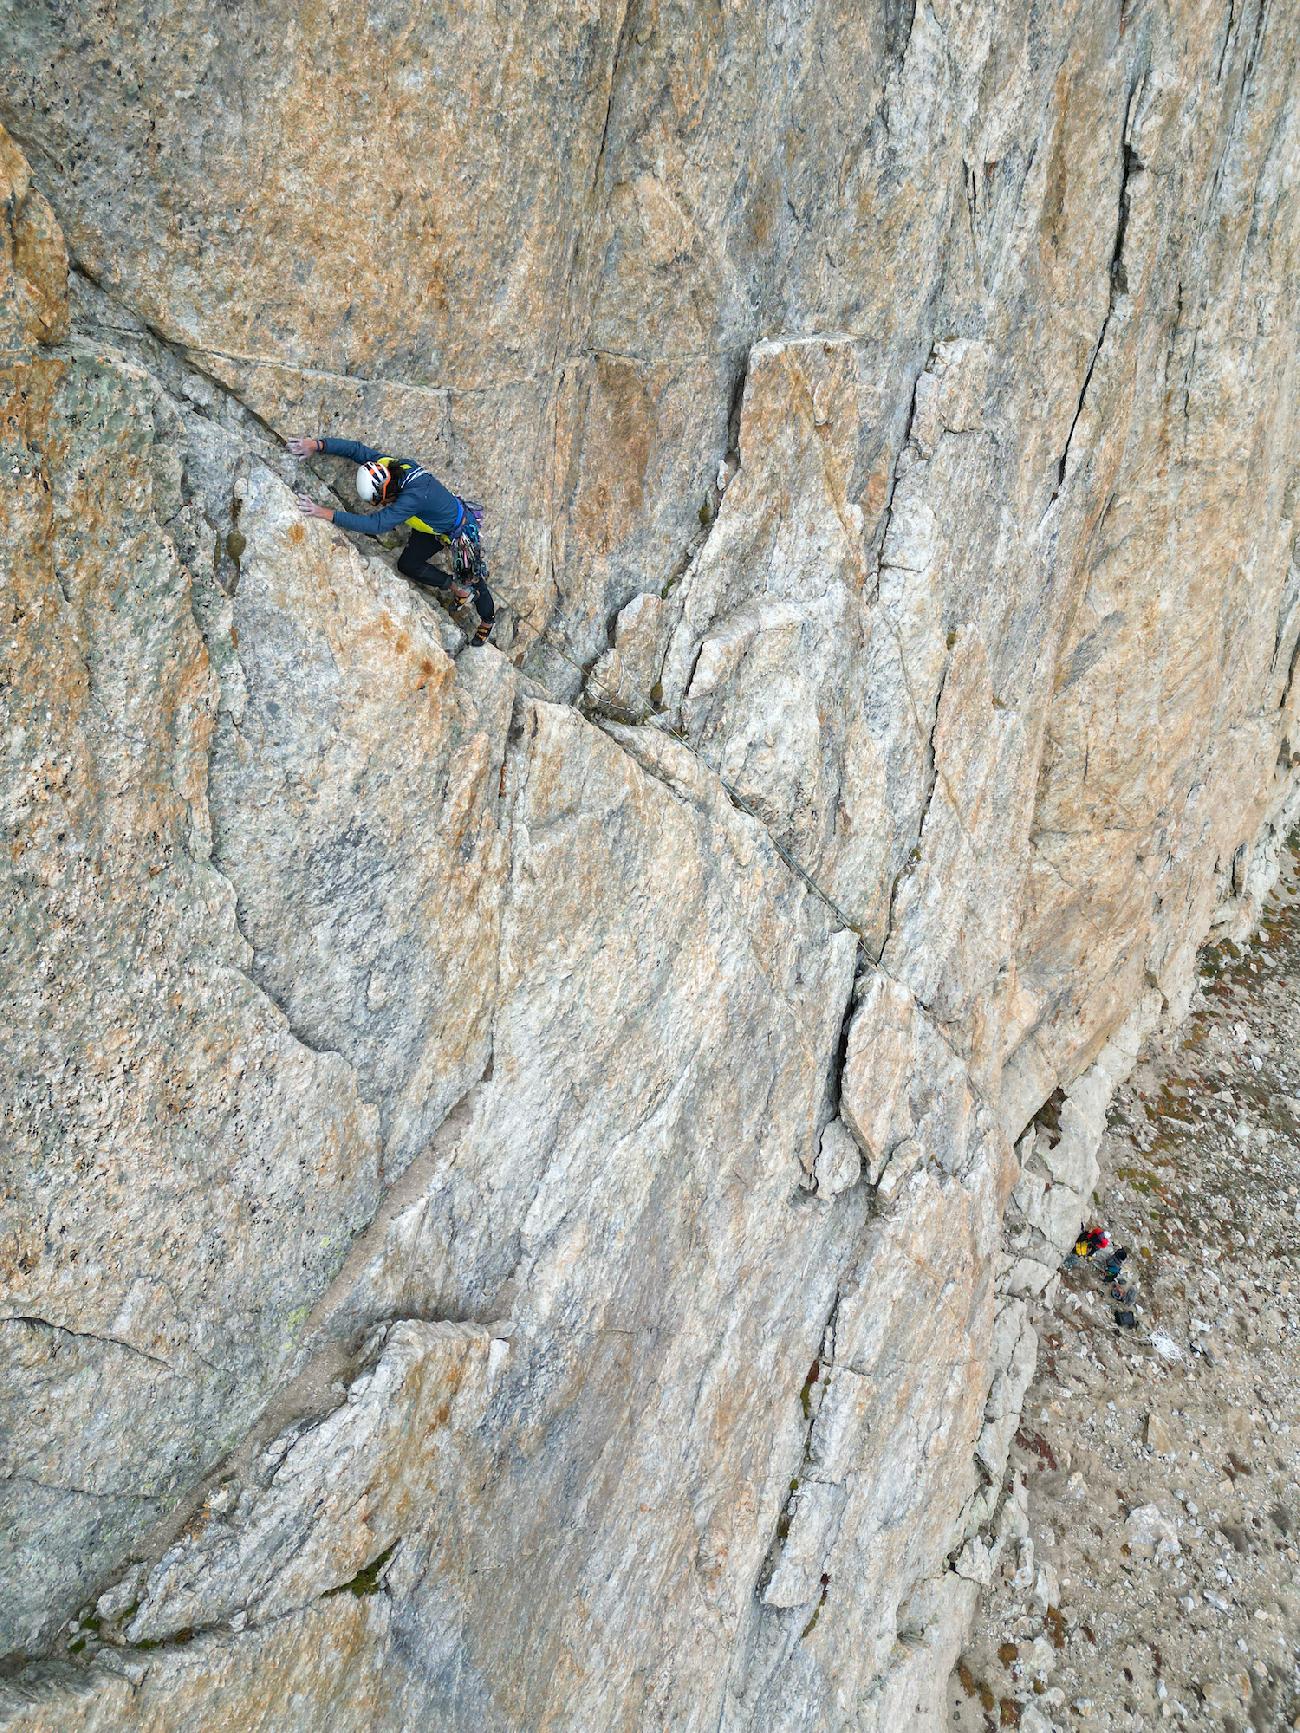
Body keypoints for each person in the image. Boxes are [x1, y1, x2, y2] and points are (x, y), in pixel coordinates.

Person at [288, 435, 495, 645]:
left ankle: (488, 620)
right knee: (408, 565)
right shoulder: (392, 467)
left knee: (475, 580)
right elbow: (357, 450)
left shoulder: (411, 498)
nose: (378, 505)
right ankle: (456, 588)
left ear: (384, 490)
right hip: (432, 522)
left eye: (377, 500)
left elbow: (375, 525)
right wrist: (316, 445)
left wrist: (324, 513)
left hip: (458, 530)